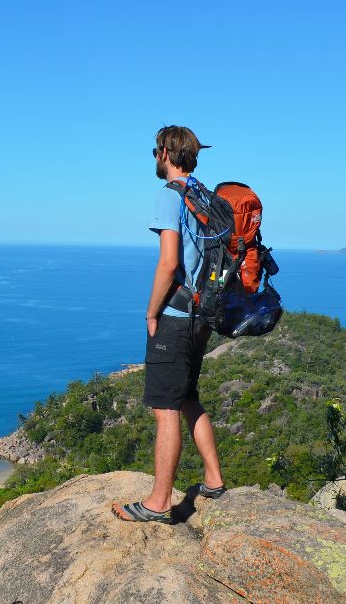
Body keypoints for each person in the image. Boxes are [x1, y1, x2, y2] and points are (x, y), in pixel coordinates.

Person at [113, 125, 226, 523]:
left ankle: (159, 503)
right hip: (202, 316)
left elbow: (169, 262)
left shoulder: (170, 195)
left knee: (165, 409)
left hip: (176, 317)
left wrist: (151, 312)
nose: (155, 158)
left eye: (155, 151)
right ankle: (213, 479)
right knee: (188, 398)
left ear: (165, 152)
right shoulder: (206, 196)